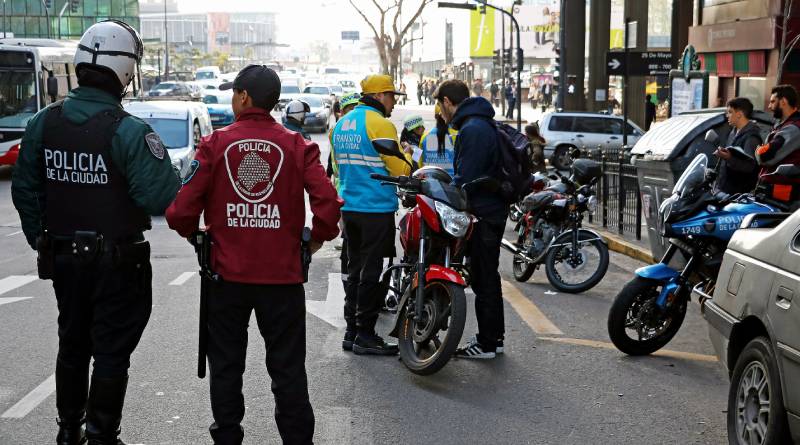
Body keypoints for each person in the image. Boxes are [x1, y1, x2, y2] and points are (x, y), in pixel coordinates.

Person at [10, 20, 181, 444]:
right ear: (126, 71)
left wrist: (42, 240)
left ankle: (69, 432)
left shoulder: (43, 123)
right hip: (117, 263)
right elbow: (161, 198)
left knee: (72, 343)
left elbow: (24, 190)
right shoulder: (129, 131)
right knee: (109, 353)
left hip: (65, 259)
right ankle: (102, 436)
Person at [165, 64, 343, 445]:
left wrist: (197, 238)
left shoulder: (216, 144)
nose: (232, 99)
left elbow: (181, 212)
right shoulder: (298, 146)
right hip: (283, 281)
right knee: (289, 370)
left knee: (226, 368)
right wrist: (316, 239)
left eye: (234, 93)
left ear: (244, 97)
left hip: (226, 280)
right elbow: (327, 203)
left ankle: (227, 438)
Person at [331, 74, 413, 355]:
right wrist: (408, 155)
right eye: (391, 96)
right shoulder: (380, 124)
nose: (393, 102)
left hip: (350, 207)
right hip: (375, 209)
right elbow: (401, 170)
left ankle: (351, 331)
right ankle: (365, 334)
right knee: (373, 273)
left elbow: (338, 168)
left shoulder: (341, 124)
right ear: (379, 96)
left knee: (354, 269)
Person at [434, 79, 509, 359]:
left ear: (447, 102)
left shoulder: (473, 129)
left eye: (440, 106)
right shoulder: (479, 123)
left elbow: (468, 178)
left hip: (484, 213)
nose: (440, 113)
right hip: (491, 210)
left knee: (484, 277)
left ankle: (488, 343)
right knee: (487, 276)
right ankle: (494, 339)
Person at [755, 85, 800, 199]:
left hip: (783, 196)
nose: (769, 106)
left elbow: (765, 156)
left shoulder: (793, 128)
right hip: (771, 193)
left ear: (783, 101)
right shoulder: (782, 125)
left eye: (772, 102)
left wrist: (758, 150)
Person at [713, 97, 761, 195]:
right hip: (724, 190)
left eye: (730, 112)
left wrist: (729, 158)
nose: (727, 115)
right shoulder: (733, 132)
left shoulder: (751, 137)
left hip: (738, 196)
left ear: (739, 114)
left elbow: (749, 167)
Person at [419, 104, 457, 176]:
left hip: (430, 181)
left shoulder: (425, 136)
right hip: (452, 182)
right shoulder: (456, 134)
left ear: (435, 117)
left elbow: (420, 163)